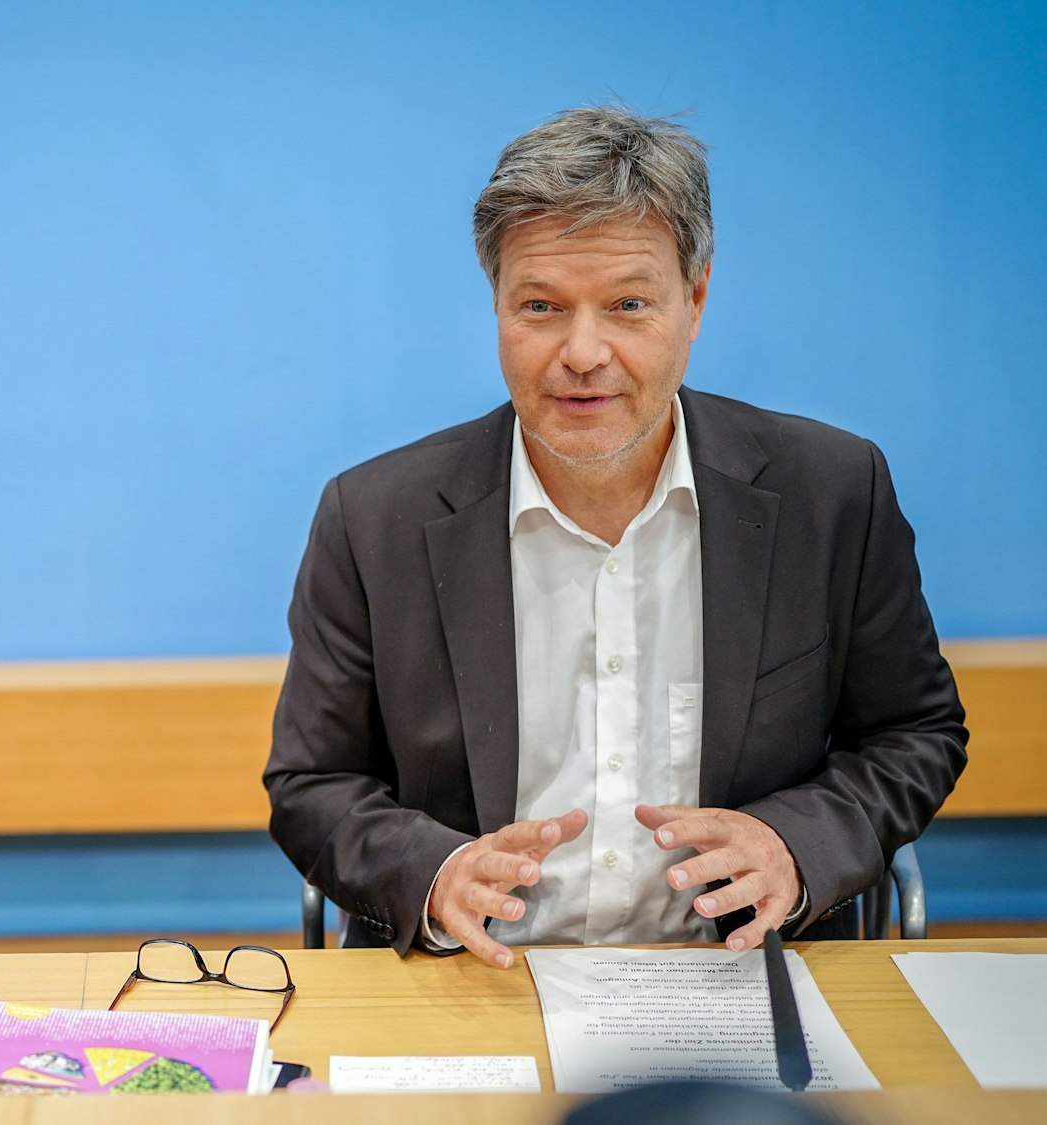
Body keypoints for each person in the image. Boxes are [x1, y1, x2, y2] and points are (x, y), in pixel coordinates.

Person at [263, 106, 966, 966]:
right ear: (497, 305)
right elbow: (313, 782)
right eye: (541, 306)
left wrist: (794, 843)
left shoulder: (831, 493)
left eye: (629, 304)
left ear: (695, 300)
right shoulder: (375, 517)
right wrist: (437, 875)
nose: (583, 352)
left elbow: (914, 733)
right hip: (470, 981)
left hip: (742, 970)